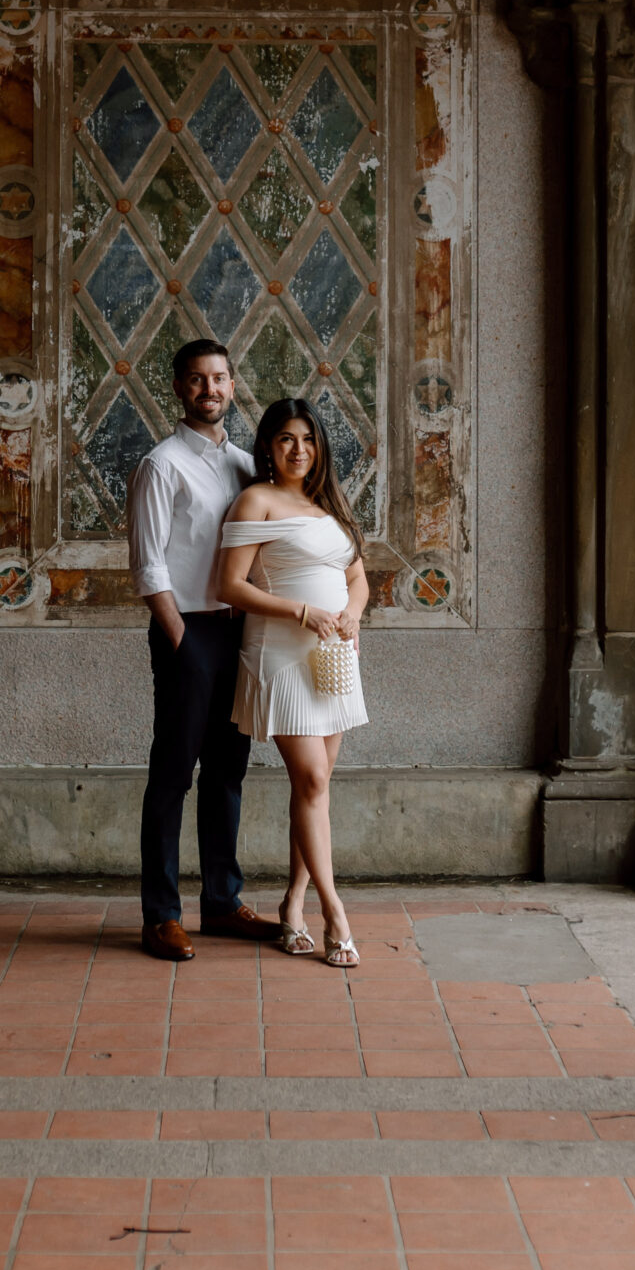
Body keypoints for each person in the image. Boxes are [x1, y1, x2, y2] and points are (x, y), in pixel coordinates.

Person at [126, 339, 283, 962]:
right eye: (196, 381)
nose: (209, 390)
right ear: (178, 389)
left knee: (227, 771)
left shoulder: (249, 466)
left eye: (218, 379)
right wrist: (182, 641)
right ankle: (160, 915)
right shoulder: (161, 466)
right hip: (187, 632)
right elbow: (148, 566)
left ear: (233, 386)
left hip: (240, 634)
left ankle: (221, 903)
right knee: (172, 775)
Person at [217, 397, 369, 968]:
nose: (298, 450)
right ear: (267, 447)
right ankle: (336, 914)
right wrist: (302, 613)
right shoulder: (255, 501)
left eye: (307, 439)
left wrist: (351, 612)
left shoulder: (328, 505)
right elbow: (230, 586)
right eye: (286, 439)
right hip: (281, 655)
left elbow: (358, 580)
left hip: (335, 659)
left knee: (316, 786)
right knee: (309, 779)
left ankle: (294, 903)